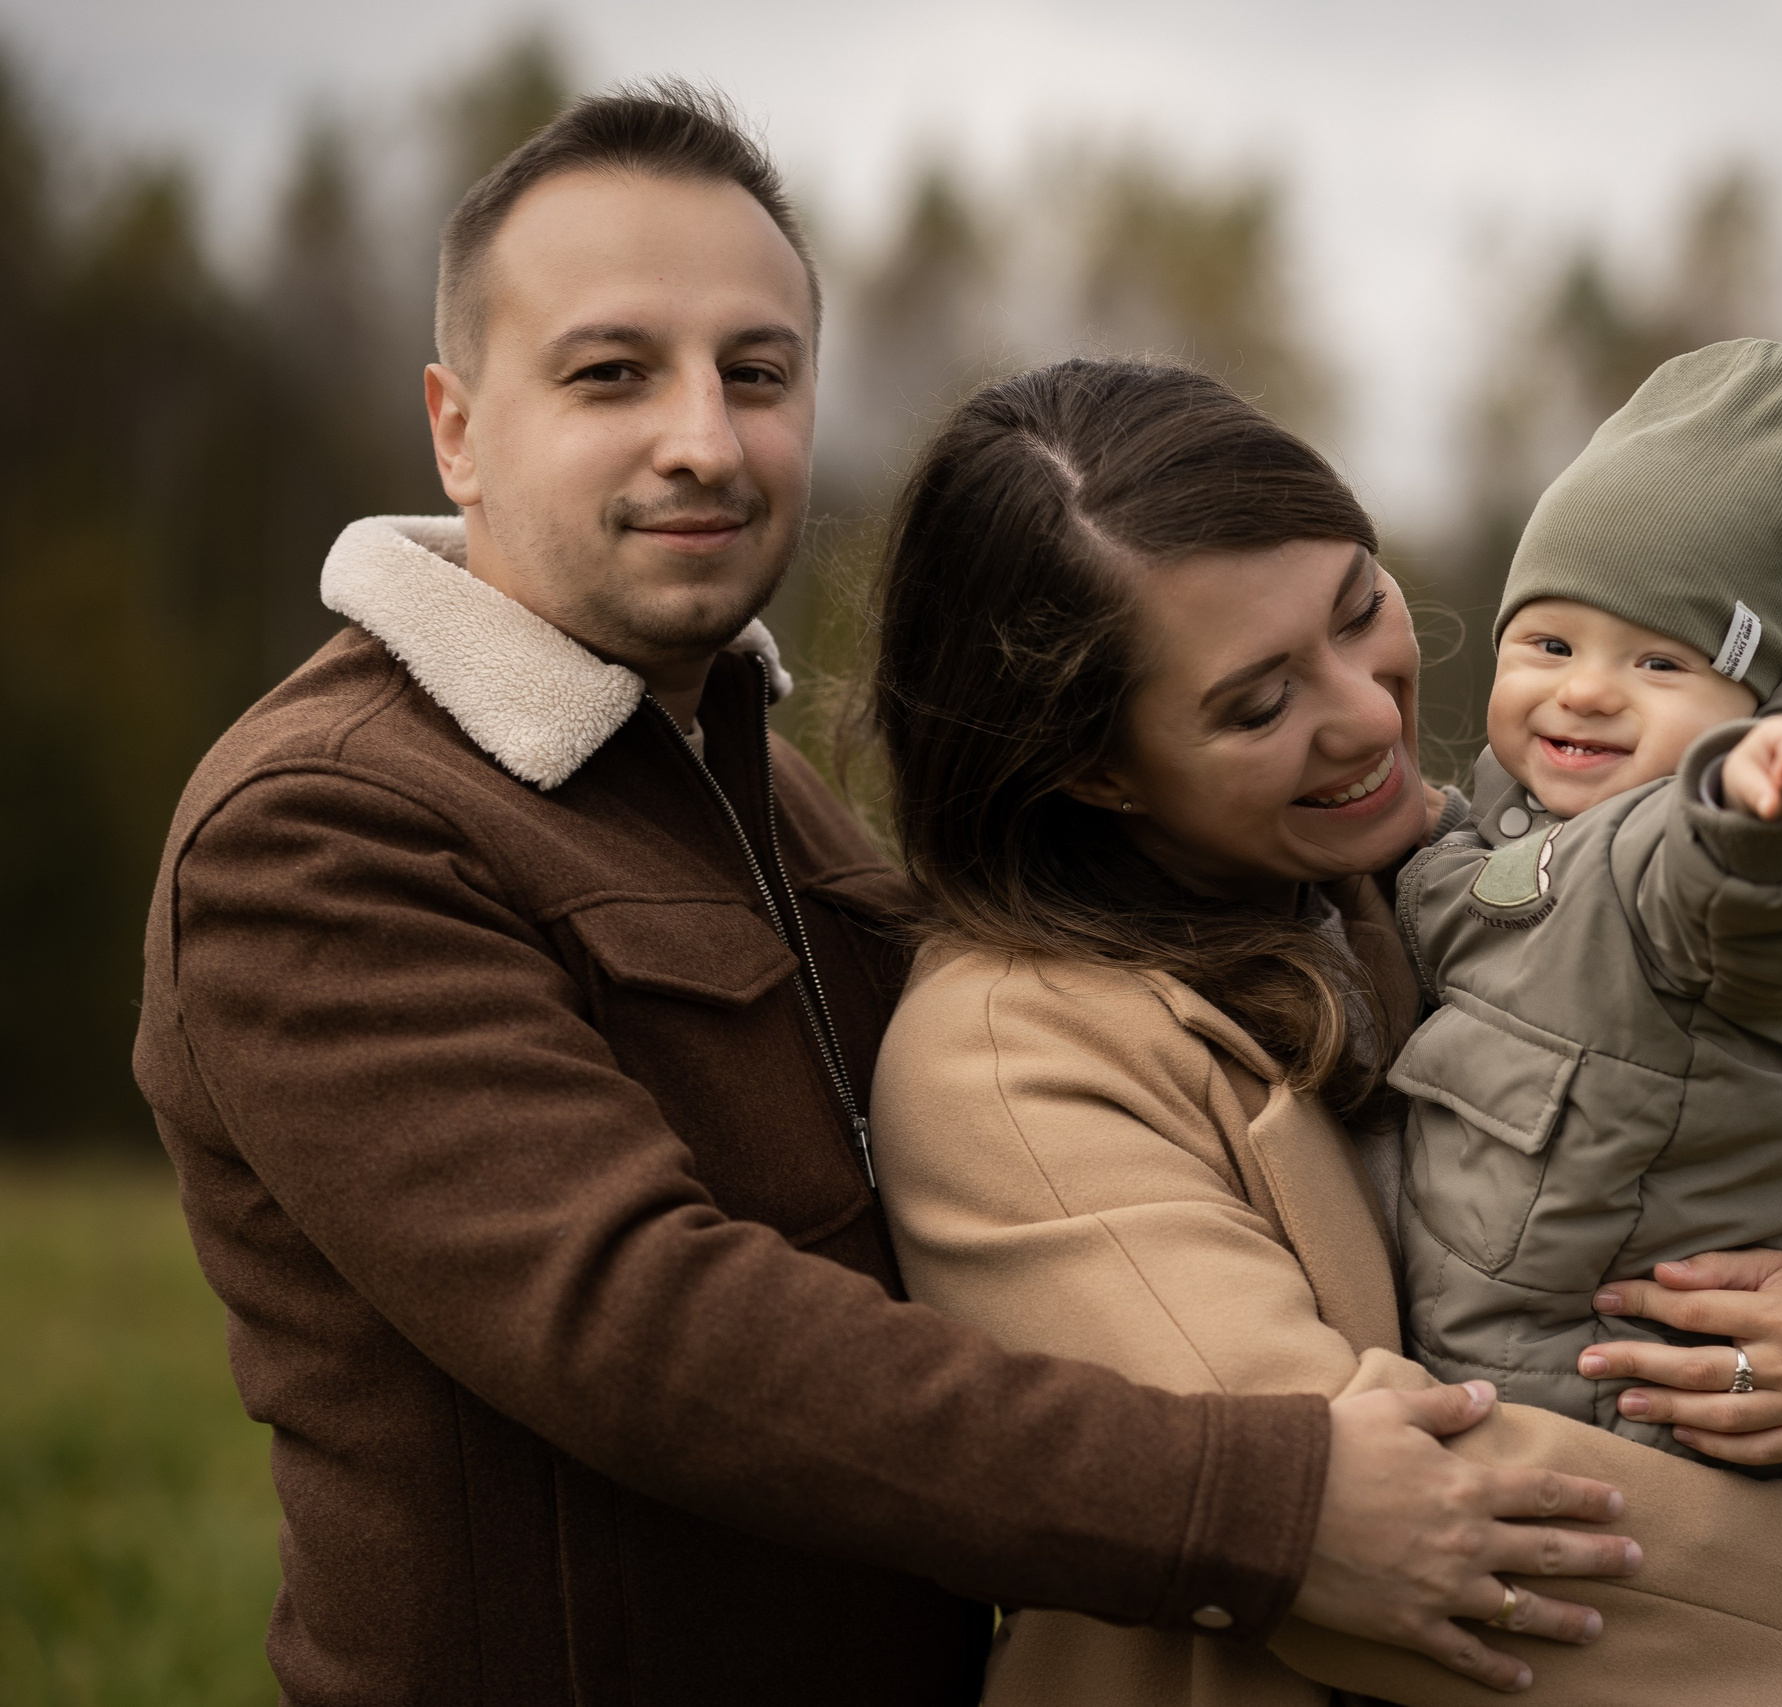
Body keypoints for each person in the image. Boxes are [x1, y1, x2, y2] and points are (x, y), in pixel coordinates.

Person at [130, 85, 1647, 1706]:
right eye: (610, 372)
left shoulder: (750, 787)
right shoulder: (325, 827)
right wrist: (1269, 1502)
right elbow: (643, 1325)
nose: (704, 436)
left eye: (758, 371)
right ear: (455, 423)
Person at [865, 358, 1782, 1705]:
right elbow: (1353, 1508)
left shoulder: (1443, 869)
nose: (1372, 710)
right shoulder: (1014, 1055)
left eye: (1360, 605)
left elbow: (1673, 1158)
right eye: (1259, 702)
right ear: (1094, 763)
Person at [1394, 339, 1782, 1462]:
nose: (1584, 688)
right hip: (1501, 1392)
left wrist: (1766, 810)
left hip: (1629, 1431)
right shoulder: (1494, 839)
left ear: (1752, 705)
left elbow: (1758, 904)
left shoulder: (1674, 862)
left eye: (1659, 665)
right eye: (1548, 642)